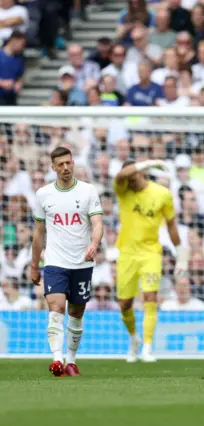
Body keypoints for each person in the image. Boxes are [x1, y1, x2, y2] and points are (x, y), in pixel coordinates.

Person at [30, 147, 104, 376]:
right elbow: (38, 233)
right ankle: (57, 359)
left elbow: (98, 223)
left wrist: (94, 243)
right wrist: (34, 265)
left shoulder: (88, 191)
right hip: (55, 262)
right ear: (53, 168)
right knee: (56, 307)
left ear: (73, 164)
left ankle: (71, 360)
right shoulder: (43, 194)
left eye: (68, 163)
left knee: (77, 311)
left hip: (82, 262)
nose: (65, 168)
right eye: (60, 164)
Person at [114, 159, 181, 363]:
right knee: (125, 303)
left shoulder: (162, 194)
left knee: (150, 298)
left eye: (132, 177)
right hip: (126, 254)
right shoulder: (123, 190)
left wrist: (181, 254)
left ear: (142, 174)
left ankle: (148, 348)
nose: (130, 182)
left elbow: (171, 225)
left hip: (151, 253)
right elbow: (119, 177)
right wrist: (152, 162)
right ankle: (134, 339)